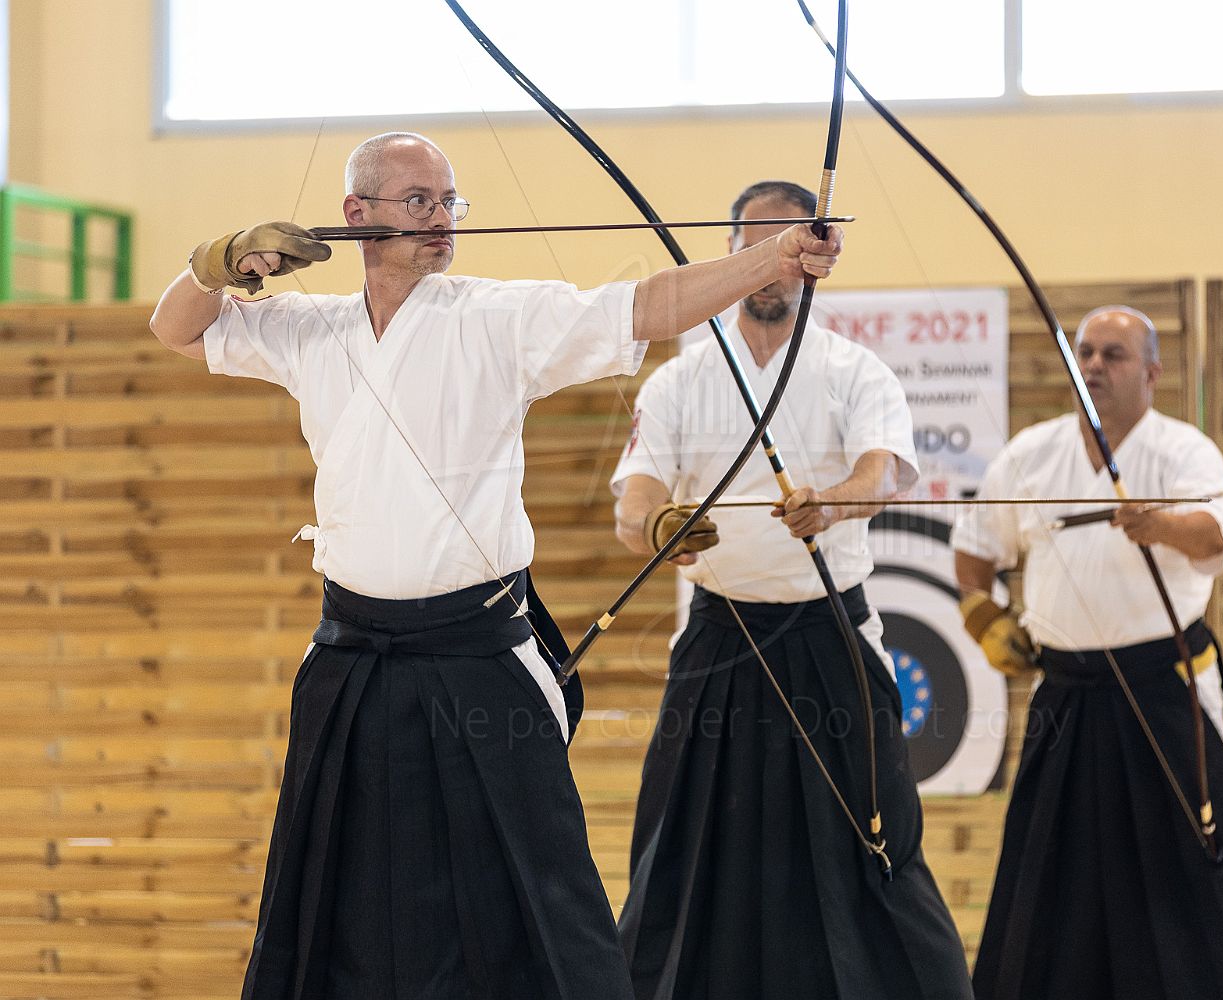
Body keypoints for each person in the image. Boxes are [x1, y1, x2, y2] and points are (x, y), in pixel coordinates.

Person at [148, 134, 845, 1000]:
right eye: (419, 202)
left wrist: (772, 258)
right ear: (356, 214)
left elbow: (645, 305)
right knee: (345, 885)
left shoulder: (498, 317)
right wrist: (214, 264)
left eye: (450, 202)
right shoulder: (310, 329)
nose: (441, 219)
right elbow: (177, 329)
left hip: (478, 653)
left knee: (538, 890)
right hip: (352, 655)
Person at [609, 180, 974, 1000]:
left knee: (875, 840)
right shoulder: (680, 379)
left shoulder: (856, 371)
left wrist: (832, 503)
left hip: (830, 637)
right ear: (732, 254)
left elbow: (881, 473)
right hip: (720, 641)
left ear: (815, 258)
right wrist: (659, 525)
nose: (771, 266)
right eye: (756, 248)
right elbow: (635, 503)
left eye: (789, 248)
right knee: (682, 844)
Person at [951, 306, 1223, 1000]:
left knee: (1187, 871)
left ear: (1152, 373)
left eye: (1113, 355)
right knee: (1048, 872)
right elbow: (975, 548)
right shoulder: (1032, 454)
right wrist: (984, 618)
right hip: (1066, 693)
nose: (1094, 365)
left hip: (1164, 690)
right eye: (1085, 352)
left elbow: (1214, 536)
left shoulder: (1184, 451)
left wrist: (1160, 524)